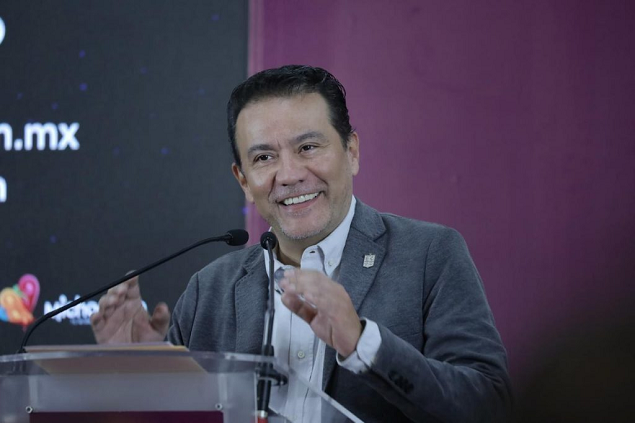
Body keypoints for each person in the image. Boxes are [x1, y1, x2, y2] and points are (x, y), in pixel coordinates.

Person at [91, 65, 512, 422]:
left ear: (351, 151)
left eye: (308, 147)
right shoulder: (209, 289)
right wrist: (140, 376)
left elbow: (488, 405)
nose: (289, 174)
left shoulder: (429, 256)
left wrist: (362, 343)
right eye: (264, 158)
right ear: (243, 180)